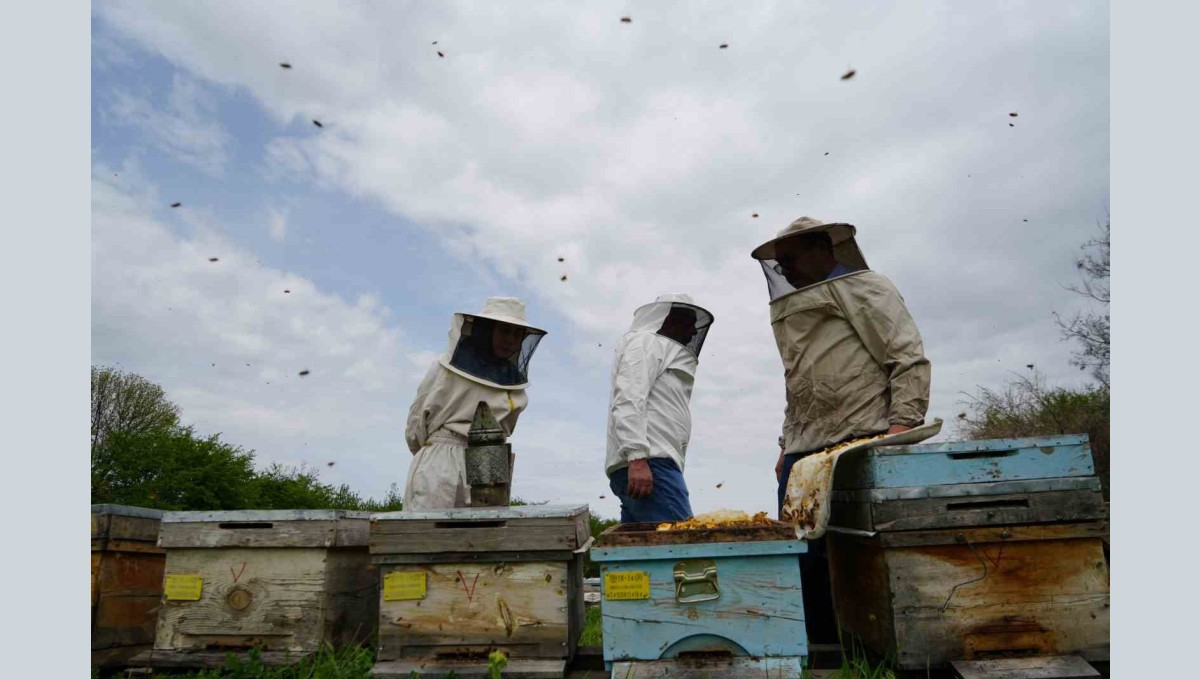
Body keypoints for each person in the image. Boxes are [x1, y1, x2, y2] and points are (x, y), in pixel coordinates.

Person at [750, 216, 932, 642]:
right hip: (804, 450)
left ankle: (863, 650)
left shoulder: (867, 287)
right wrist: (785, 446)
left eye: (790, 259)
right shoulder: (801, 306)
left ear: (822, 250)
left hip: (859, 439)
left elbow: (906, 357)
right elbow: (802, 382)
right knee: (803, 555)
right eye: (779, 263)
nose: (785, 269)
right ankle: (815, 651)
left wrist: (901, 426)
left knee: (857, 553)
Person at [403, 297, 547, 511]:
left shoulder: (514, 383)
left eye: (516, 334)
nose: (510, 339)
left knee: (482, 540)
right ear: (487, 330)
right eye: (504, 331)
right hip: (440, 461)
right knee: (428, 537)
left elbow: (506, 430)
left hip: (489, 464)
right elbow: (416, 424)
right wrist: (434, 451)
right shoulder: (445, 368)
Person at [605, 294, 715, 524]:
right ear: (667, 319)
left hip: (648, 462)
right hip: (649, 462)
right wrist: (637, 458)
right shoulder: (645, 342)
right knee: (681, 547)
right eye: (688, 323)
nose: (694, 332)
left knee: (640, 552)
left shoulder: (658, 348)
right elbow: (628, 397)